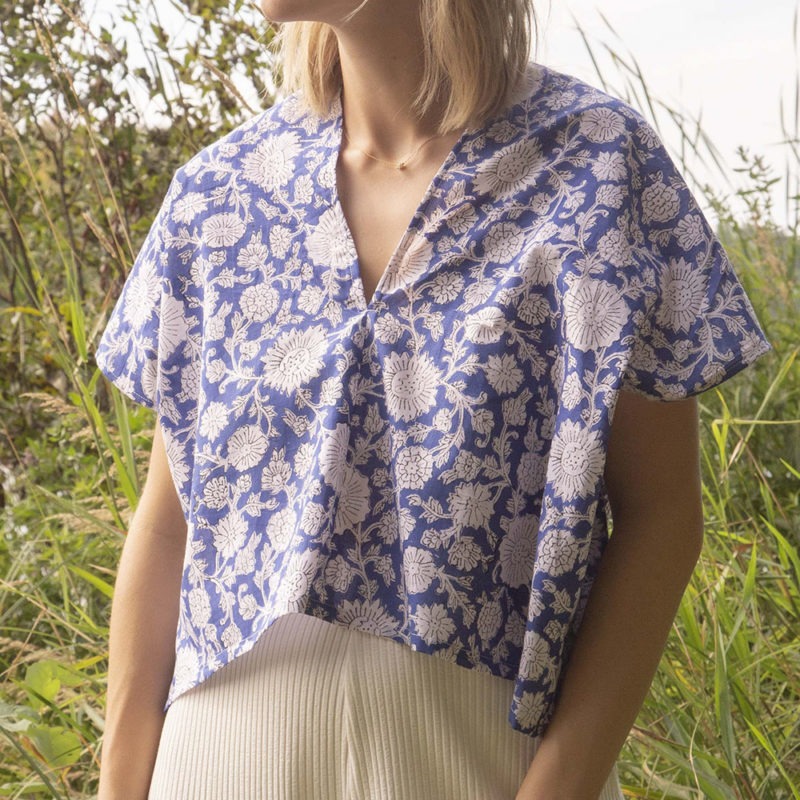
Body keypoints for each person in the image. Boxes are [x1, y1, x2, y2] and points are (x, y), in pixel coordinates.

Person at [94, 0, 774, 798]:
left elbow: (662, 519)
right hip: (219, 756)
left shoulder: (594, 165)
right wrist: (119, 784)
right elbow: (170, 519)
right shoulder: (220, 195)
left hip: (481, 757)